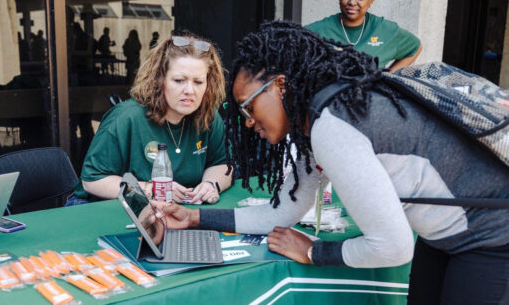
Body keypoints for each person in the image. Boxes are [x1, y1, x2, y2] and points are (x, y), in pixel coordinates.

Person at [152, 21, 509, 304]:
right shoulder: (316, 120)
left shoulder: (331, 127)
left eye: (248, 106)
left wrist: (312, 251)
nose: (246, 121)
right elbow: (281, 214)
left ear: (280, 86)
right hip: (444, 235)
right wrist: (195, 217)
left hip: (492, 235)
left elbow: (394, 247)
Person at [67, 33, 232, 205]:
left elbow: (222, 164)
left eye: (198, 82)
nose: (190, 90)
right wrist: (151, 189)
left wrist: (211, 184)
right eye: (179, 80)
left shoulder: (208, 116)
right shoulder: (125, 117)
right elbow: (92, 181)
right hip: (104, 209)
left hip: (171, 211)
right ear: (160, 80)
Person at [306, 0, 422, 72]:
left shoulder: (383, 29)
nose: (352, 2)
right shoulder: (316, 30)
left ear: (371, 0)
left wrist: (388, 79)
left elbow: (415, 47)